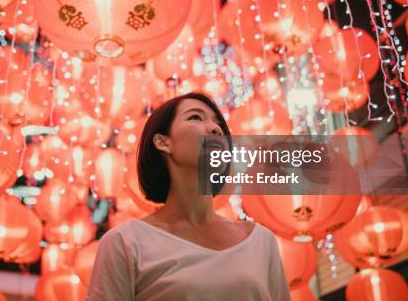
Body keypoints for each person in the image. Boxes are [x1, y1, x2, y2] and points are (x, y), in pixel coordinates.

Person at [86, 92, 291, 301]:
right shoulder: (126, 242)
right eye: (196, 117)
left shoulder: (261, 241)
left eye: (218, 123)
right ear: (164, 143)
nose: (215, 128)